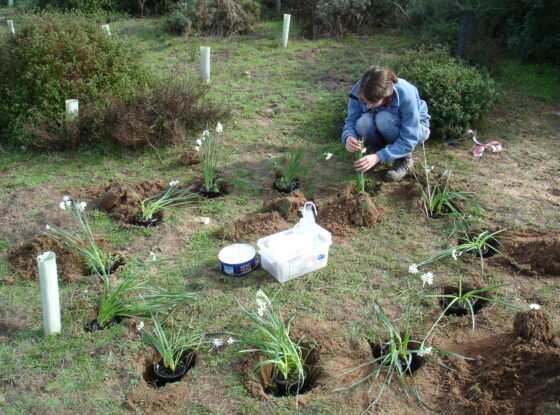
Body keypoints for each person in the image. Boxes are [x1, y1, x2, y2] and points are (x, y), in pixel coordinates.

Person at [341, 66, 431, 181]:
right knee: (363, 122)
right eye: (364, 101)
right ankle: (377, 149)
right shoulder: (360, 90)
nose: (367, 106)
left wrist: (379, 157)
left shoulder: (405, 93)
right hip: (384, 124)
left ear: (385, 97)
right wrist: (348, 136)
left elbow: (410, 137)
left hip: (417, 129)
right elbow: (351, 121)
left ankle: (404, 159)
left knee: (383, 119)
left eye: (372, 102)